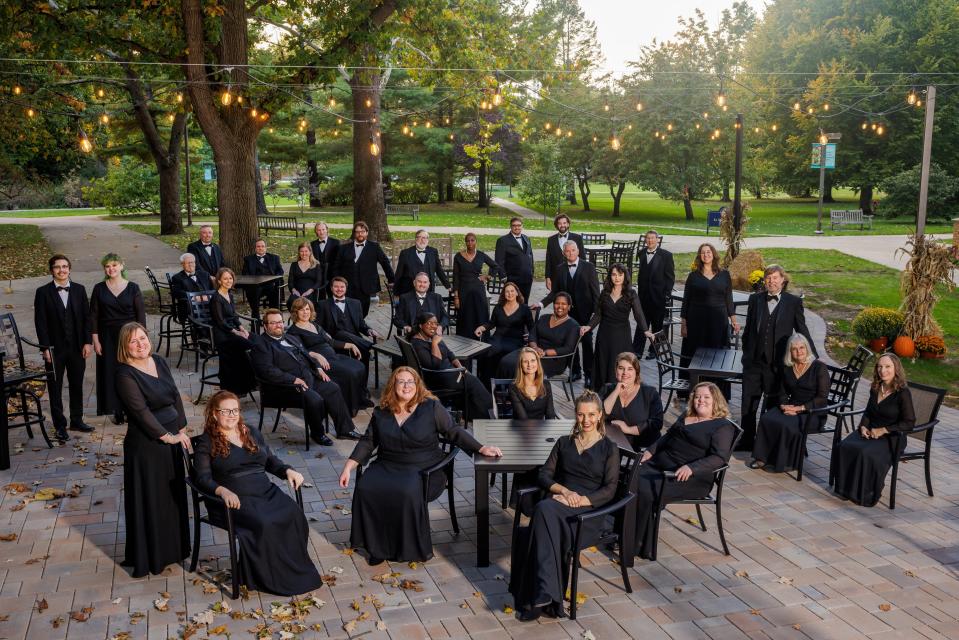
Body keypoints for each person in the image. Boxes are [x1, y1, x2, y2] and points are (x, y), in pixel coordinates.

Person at [339, 367, 502, 564]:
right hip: (388, 463)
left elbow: (453, 431)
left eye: (411, 382)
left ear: (417, 386)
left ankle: (405, 548)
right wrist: (349, 466)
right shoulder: (381, 412)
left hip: (425, 468)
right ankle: (377, 547)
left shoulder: (431, 407)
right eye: (401, 381)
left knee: (405, 491)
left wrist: (481, 448)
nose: (406, 386)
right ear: (393, 386)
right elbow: (367, 442)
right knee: (366, 487)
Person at [193, 390, 321, 596]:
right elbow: (202, 478)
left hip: (264, 490)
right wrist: (223, 491)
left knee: (293, 514)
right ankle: (266, 576)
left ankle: (289, 571)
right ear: (215, 414)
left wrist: (287, 470)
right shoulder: (207, 441)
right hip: (233, 498)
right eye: (226, 411)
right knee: (265, 522)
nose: (232, 415)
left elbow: (270, 460)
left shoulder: (250, 431)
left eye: (235, 410)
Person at [509, 390, 620, 621]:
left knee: (540, 512)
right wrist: (565, 491)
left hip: (587, 513)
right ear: (575, 416)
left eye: (591, 415)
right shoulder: (563, 442)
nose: (586, 420)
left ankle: (539, 596)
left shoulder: (609, 448)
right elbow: (544, 476)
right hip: (560, 503)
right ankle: (547, 596)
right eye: (581, 415)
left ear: (600, 415)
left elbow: (610, 490)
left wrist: (580, 500)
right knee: (545, 512)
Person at [114, 322, 191, 578]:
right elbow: (140, 412)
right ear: (125, 347)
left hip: (172, 439)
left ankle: (174, 549)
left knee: (172, 497)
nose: (140, 344)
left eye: (143, 338)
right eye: (133, 341)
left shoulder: (158, 360)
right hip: (147, 446)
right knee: (153, 499)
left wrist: (180, 429)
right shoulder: (124, 374)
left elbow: (175, 395)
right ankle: (153, 556)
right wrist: (165, 436)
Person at [632, 382, 736, 560]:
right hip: (660, 466)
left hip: (688, 478)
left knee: (642, 488)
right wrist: (650, 451)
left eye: (706, 397)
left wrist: (691, 467)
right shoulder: (687, 415)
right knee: (628, 477)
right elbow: (667, 437)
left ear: (716, 401)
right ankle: (623, 532)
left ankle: (638, 543)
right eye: (697, 396)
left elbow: (719, 458)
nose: (700, 400)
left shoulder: (721, 426)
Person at [251, 309, 361, 443]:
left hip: (308, 378)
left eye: (280, 322)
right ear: (265, 326)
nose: (278, 325)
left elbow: (306, 354)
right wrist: (293, 380)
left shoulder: (289, 337)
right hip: (285, 387)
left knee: (333, 388)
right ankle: (317, 433)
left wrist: (318, 368)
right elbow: (267, 371)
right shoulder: (261, 345)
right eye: (273, 323)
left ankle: (345, 430)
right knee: (315, 400)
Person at [740, 265, 815, 451]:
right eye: (768, 278)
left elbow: (802, 330)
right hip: (754, 362)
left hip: (778, 365)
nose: (771, 281)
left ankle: (768, 443)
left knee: (773, 404)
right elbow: (748, 329)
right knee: (748, 403)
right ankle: (747, 440)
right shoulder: (755, 299)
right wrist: (747, 354)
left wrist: (813, 355)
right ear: (764, 281)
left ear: (782, 280)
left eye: (775, 278)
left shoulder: (793, 302)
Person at [833, 354, 915, 507]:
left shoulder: (903, 393)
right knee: (845, 446)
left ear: (896, 368)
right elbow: (868, 412)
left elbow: (909, 422)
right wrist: (863, 426)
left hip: (893, 436)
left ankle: (865, 494)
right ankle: (845, 490)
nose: (883, 370)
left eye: (887, 367)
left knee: (866, 453)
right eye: (879, 366)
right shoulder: (876, 387)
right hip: (871, 431)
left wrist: (884, 430)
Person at [34, 254, 94, 440]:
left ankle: (76, 419)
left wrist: (87, 342)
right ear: (51, 270)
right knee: (55, 386)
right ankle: (60, 425)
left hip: (77, 347)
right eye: (57, 267)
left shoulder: (79, 290)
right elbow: (40, 322)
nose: (61, 270)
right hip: (54, 349)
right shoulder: (43, 292)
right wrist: (45, 348)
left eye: (65, 266)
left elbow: (86, 319)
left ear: (69, 268)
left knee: (77, 384)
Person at [749, 334, 829, 472]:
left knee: (786, 424)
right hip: (792, 406)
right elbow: (782, 391)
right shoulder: (788, 367)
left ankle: (783, 462)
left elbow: (822, 397)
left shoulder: (819, 367)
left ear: (807, 348)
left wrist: (800, 409)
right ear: (790, 352)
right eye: (795, 349)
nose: (799, 352)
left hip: (813, 411)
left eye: (802, 347)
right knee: (768, 418)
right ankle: (762, 458)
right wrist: (783, 404)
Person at [287, 298, 372, 415]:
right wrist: (316, 356)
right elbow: (299, 351)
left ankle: (359, 400)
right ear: (295, 312)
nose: (305, 312)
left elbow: (330, 342)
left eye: (307, 309)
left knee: (360, 367)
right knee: (350, 373)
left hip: (333, 356)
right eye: (301, 310)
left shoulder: (314, 325)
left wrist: (350, 345)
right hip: (321, 363)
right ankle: (348, 408)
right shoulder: (293, 331)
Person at [532, 241, 600, 386]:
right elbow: (555, 292)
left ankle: (589, 374)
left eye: (573, 250)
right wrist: (541, 304)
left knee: (587, 344)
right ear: (564, 253)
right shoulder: (560, 268)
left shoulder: (589, 267)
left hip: (585, 314)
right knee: (569, 342)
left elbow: (595, 293)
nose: (570, 253)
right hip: (566, 316)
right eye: (567, 251)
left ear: (578, 251)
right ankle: (575, 370)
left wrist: (596, 315)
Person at [91, 253, 146, 424]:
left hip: (129, 337)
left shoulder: (133, 288)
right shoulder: (99, 288)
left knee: (131, 373)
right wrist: (95, 340)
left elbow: (141, 317)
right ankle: (117, 409)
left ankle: (133, 408)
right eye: (107, 266)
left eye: (114, 265)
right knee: (111, 373)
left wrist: (141, 340)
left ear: (122, 266)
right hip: (107, 337)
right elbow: (93, 316)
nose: (111, 269)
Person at [409, 312, 494, 422]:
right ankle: (487, 416)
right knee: (474, 383)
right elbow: (436, 365)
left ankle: (471, 414)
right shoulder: (418, 344)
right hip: (439, 377)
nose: (433, 326)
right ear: (420, 325)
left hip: (449, 371)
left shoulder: (431, 337)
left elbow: (450, 353)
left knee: (470, 379)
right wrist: (434, 344)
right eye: (429, 323)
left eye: (435, 323)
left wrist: (461, 367)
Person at [679, 243, 738, 398]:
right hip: (696, 321)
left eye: (708, 252)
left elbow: (728, 299)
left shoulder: (724, 275)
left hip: (718, 322)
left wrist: (734, 320)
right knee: (695, 355)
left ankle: (718, 392)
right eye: (703, 253)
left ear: (713, 254)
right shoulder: (693, 276)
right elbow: (686, 301)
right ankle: (691, 391)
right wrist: (683, 324)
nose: (706, 255)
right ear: (700, 256)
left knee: (718, 356)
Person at [581, 263, 653, 390]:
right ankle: (603, 391)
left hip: (622, 335)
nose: (617, 278)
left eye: (620, 275)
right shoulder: (604, 293)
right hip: (604, 334)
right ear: (610, 277)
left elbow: (639, 314)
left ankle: (621, 391)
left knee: (621, 362)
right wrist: (589, 327)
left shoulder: (631, 294)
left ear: (625, 276)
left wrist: (646, 330)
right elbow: (598, 315)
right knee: (603, 362)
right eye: (614, 275)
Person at [499, 292, 579, 379]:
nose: (560, 306)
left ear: (569, 306)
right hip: (532, 350)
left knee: (520, 367)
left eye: (563, 304)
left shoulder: (573, 326)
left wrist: (545, 352)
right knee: (506, 361)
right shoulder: (544, 318)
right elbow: (533, 334)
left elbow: (568, 348)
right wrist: (535, 348)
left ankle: (520, 391)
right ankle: (504, 390)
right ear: (553, 304)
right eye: (557, 303)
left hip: (553, 359)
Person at [316, 277, 380, 375]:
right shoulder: (323, 305)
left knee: (364, 353)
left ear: (346, 288)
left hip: (355, 338)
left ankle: (362, 387)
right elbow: (318, 326)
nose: (339, 289)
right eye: (336, 286)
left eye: (342, 287)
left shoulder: (355, 303)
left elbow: (361, 325)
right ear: (331, 288)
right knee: (341, 333)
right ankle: (371, 346)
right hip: (335, 339)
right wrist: (325, 334)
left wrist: (369, 330)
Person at [601, 352, 664, 450]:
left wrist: (628, 429)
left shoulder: (650, 393)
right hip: (615, 446)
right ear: (615, 370)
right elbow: (599, 415)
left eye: (630, 369)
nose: (625, 372)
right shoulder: (607, 389)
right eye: (621, 368)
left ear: (637, 372)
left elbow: (657, 423)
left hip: (644, 447)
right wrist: (616, 391)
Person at [209, 268, 255, 397]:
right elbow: (220, 321)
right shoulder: (216, 298)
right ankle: (242, 384)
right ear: (219, 281)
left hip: (233, 331)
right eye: (225, 278)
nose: (228, 281)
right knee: (248, 344)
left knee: (255, 339)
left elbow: (234, 316)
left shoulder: (229, 295)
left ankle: (248, 383)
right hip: (223, 335)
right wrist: (236, 332)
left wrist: (243, 329)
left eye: (230, 278)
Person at [333, 221, 395, 317]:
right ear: (354, 233)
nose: (360, 234)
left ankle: (360, 327)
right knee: (347, 310)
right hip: (347, 285)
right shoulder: (343, 248)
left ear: (367, 233)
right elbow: (336, 266)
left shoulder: (374, 247)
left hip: (366, 286)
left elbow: (385, 262)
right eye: (357, 232)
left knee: (363, 312)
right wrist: (336, 282)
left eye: (362, 231)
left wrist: (391, 279)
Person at [475, 282, 532, 384]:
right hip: (497, 338)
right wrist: (482, 327)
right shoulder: (498, 307)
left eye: (512, 291)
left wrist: (531, 337)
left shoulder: (525, 309)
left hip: (515, 340)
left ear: (517, 293)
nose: (510, 294)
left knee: (508, 355)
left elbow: (532, 327)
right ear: (503, 294)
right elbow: (492, 323)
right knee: (486, 351)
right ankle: (486, 383)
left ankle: (504, 386)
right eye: (507, 292)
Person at [634, 229, 674, 357]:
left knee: (657, 324)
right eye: (648, 238)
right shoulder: (641, 254)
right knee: (642, 324)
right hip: (643, 296)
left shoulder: (666, 255)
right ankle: (637, 350)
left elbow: (670, 277)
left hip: (658, 296)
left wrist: (666, 294)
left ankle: (654, 350)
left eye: (652, 238)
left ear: (657, 240)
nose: (650, 240)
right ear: (645, 240)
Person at [452, 232, 500, 338]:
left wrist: (488, 276)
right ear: (465, 242)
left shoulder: (481, 255)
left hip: (478, 290)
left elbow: (495, 266)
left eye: (472, 240)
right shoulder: (458, 256)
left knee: (480, 313)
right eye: (468, 240)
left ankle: (482, 338)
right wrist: (456, 297)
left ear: (476, 242)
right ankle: (464, 340)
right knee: (465, 316)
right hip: (464, 291)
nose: (470, 242)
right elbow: (456, 277)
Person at [394, 229, 451, 296]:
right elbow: (399, 273)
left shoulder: (433, 252)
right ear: (415, 239)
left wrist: (448, 286)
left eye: (424, 238)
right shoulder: (405, 253)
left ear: (428, 240)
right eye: (420, 237)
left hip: (428, 291)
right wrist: (396, 293)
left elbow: (439, 270)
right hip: (409, 290)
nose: (422, 240)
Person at [508, 347, 557, 419]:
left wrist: (550, 429)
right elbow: (522, 418)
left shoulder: (545, 384)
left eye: (533, 360)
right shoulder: (514, 387)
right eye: (525, 361)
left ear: (537, 362)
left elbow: (550, 414)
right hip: (521, 428)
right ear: (520, 365)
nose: (529, 364)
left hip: (541, 428)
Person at [241, 238, 284, 319]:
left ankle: (274, 318)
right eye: (258, 246)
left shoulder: (274, 258)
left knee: (275, 292)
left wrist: (274, 279)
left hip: (271, 285)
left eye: (262, 246)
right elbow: (245, 274)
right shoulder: (248, 259)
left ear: (266, 248)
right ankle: (256, 319)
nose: (260, 248)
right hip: (255, 286)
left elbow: (280, 271)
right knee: (253, 293)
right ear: (255, 248)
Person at [494, 217, 534, 302]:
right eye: (514, 225)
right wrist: (503, 277)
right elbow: (499, 260)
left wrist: (532, 272)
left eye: (519, 225)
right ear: (510, 227)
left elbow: (530, 256)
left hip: (527, 278)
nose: (517, 227)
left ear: (522, 226)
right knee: (512, 303)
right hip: (512, 279)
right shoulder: (502, 240)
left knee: (524, 302)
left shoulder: (526, 238)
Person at [544, 214, 584, 292]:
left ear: (568, 224)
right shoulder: (551, 240)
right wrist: (547, 277)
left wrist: (582, 276)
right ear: (556, 225)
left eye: (564, 223)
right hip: (556, 276)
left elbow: (582, 257)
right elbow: (548, 260)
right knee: (557, 299)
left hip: (574, 275)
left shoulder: (577, 238)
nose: (562, 225)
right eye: (559, 223)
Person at [170, 253, 211, 322]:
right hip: (191, 307)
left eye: (192, 262)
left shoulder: (204, 274)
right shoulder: (177, 277)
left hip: (208, 304)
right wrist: (194, 297)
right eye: (188, 263)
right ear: (182, 264)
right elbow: (177, 293)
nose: (190, 265)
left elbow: (212, 289)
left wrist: (209, 296)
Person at [287, 242, 323, 309]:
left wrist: (310, 290)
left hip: (310, 292)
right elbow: (290, 281)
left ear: (310, 252)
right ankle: (296, 319)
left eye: (306, 251)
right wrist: (293, 290)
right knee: (291, 302)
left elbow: (319, 281)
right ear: (299, 252)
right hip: (297, 292)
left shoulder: (316, 265)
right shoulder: (294, 265)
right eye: (301, 251)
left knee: (306, 304)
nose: (304, 254)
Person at [309, 221, 340, 297]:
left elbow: (338, 260)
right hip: (318, 274)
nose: (321, 232)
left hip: (331, 274)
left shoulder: (336, 242)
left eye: (323, 229)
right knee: (319, 296)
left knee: (332, 295)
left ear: (327, 230)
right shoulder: (312, 244)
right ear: (316, 231)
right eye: (319, 230)